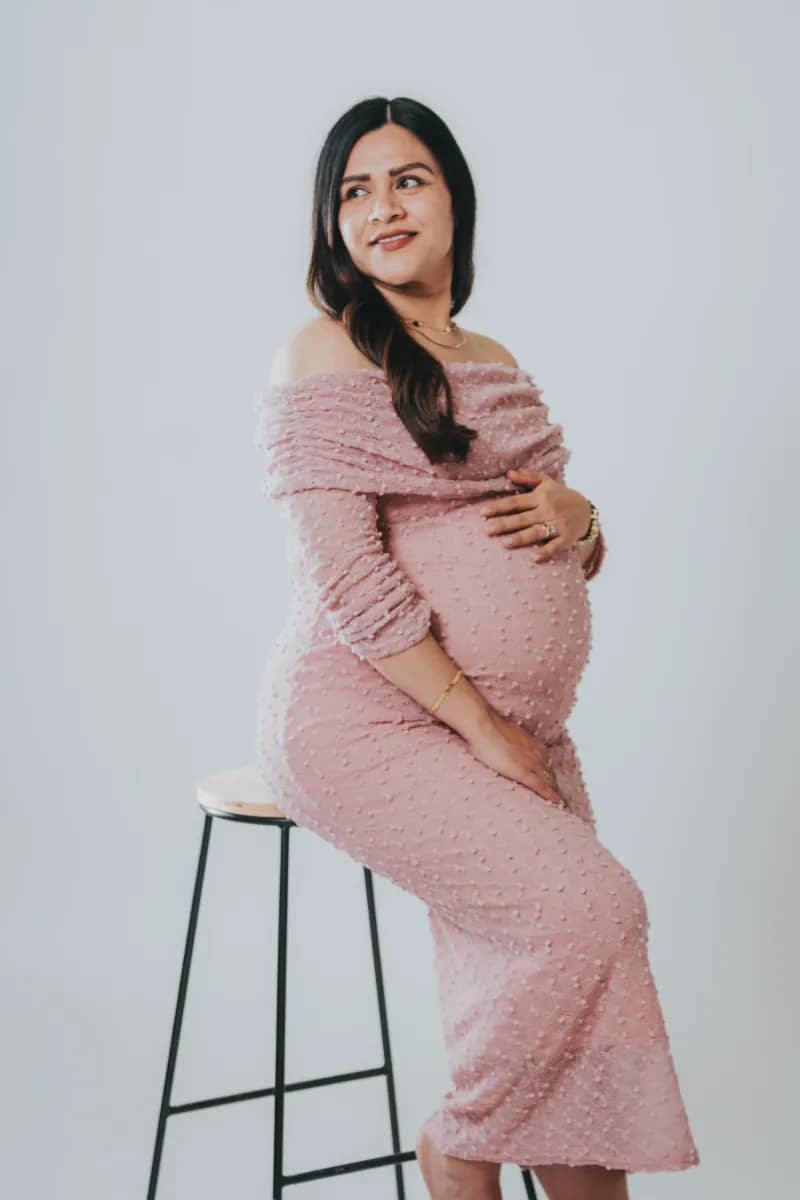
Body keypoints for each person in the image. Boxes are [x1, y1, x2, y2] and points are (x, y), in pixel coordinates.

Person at [254, 96, 700, 1200]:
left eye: (406, 179)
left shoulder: (488, 353)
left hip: (508, 730)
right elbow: (349, 583)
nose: (381, 206)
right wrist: (485, 729)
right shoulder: (320, 352)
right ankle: (461, 1142)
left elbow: (553, 528)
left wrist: (582, 520)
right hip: (368, 723)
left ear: (454, 194)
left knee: (578, 992)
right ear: (330, 227)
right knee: (594, 913)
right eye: (353, 191)